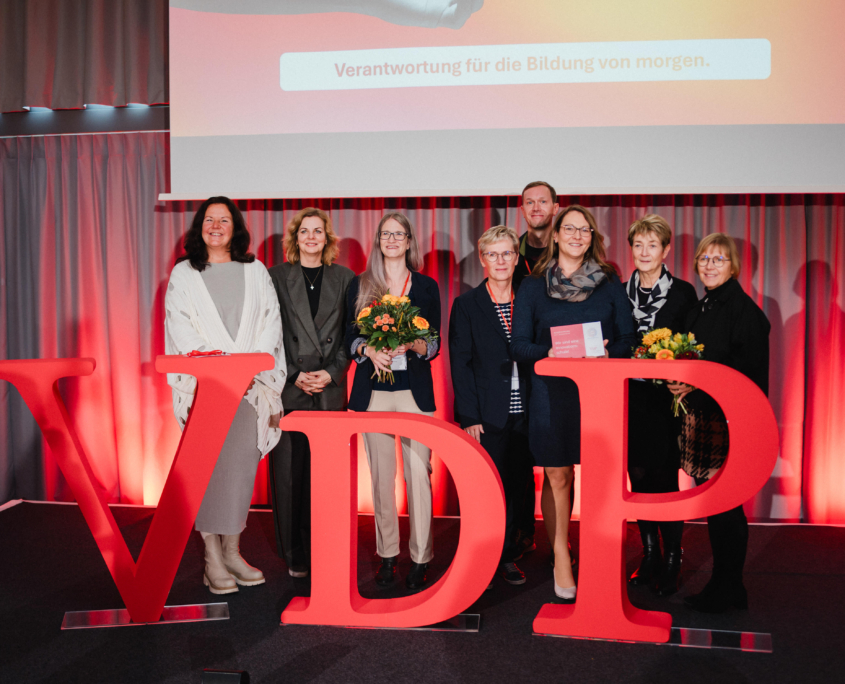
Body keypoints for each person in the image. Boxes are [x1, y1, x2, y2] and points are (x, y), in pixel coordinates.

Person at [511, 205, 637, 602]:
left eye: (584, 230)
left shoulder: (609, 281)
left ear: (592, 237)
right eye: (569, 228)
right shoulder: (533, 286)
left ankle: (597, 549)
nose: (577, 236)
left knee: (598, 476)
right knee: (558, 475)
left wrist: (608, 352)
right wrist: (550, 352)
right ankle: (561, 554)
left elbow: (628, 338)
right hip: (552, 392)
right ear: (556, 234)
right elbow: (519, 345)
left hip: (598, 392)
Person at [164, 196, 285, 595]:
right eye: (209, 220)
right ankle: (211, 558)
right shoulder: (185, 273)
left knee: (239, 468)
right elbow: (181, 326)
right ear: (199, 227)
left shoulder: (255, 270)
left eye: (224, 220)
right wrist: (217, 367)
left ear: (236, 228)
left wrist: (250, 368)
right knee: (208, 468)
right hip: (206, 387)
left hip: (250, 387)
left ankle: (232, 551)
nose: (216, 226)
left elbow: (270, 322)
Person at [668, 233, 770, 613]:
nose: (709, 265)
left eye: (719, 259)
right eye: (704, 259)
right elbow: (693, 361)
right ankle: (724, 585)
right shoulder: (701, 307)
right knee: (716, 504)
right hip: (701, 419)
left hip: (727, 423)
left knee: (727, 507)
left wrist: (693, 387)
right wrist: (679, 381)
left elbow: (747, 378)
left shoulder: (744, 312)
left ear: (733, 266)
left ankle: (730, 587)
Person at [345, 212, 441, 590]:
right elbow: (350, 338)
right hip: (374, 393)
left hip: (415, 392)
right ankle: (388, 556)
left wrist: (411, 343)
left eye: (399, 234)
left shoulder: (426, 287)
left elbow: (434, 343)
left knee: (419, 476)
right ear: (378, 241)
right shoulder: (360, 284)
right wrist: (370, 349)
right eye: (386, 234)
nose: (392, 240)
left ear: (409, 241)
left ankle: (420, 558)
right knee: (381, 479)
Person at [267, 207, 354, 578]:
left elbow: (351, 333)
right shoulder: (275, 276)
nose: (311, 237)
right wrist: (293, 373)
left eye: (318, 231)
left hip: (328, 390)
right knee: (290, 475)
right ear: (295, 238)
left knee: (325, 477)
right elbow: (269, 332)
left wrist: (331, 373)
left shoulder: (345, 278)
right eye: (305, 231)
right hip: (291, 388)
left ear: (327, 238)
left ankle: (324, 546)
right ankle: (295, 554)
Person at [449, 225, 533, 587]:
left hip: (527, 411)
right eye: (493, 254)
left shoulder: (529, 299)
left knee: (518, 485)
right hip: (487, 414)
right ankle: (486, 554)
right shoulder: (467, 305)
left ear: (516, 258)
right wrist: (469, 416)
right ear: (483, 259)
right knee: (489, 488)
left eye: (507, 253)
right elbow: (461, 363)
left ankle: (509, 552)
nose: (500, 261)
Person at [624, 215, 698, 595]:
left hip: (667, 400)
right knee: (637, 477)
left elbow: (694, 344)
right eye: (638, 245)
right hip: (628, 397)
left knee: (665, 479)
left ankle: (673, 557)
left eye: (652, 245)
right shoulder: (619, 293)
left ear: (666, 250)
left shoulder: (683, 292)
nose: (644, 252)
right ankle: (649, 552)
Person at [511, 180, 560, 561]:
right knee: (517, 456)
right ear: (522, 209)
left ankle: (560, 540)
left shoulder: (569, 250)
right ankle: (522, 532)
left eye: (543, 201)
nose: (537, 207)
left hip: (560, 367)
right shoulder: (511, 254)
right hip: (517, 365)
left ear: (556, 207)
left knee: (559, 462)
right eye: (530, 202)